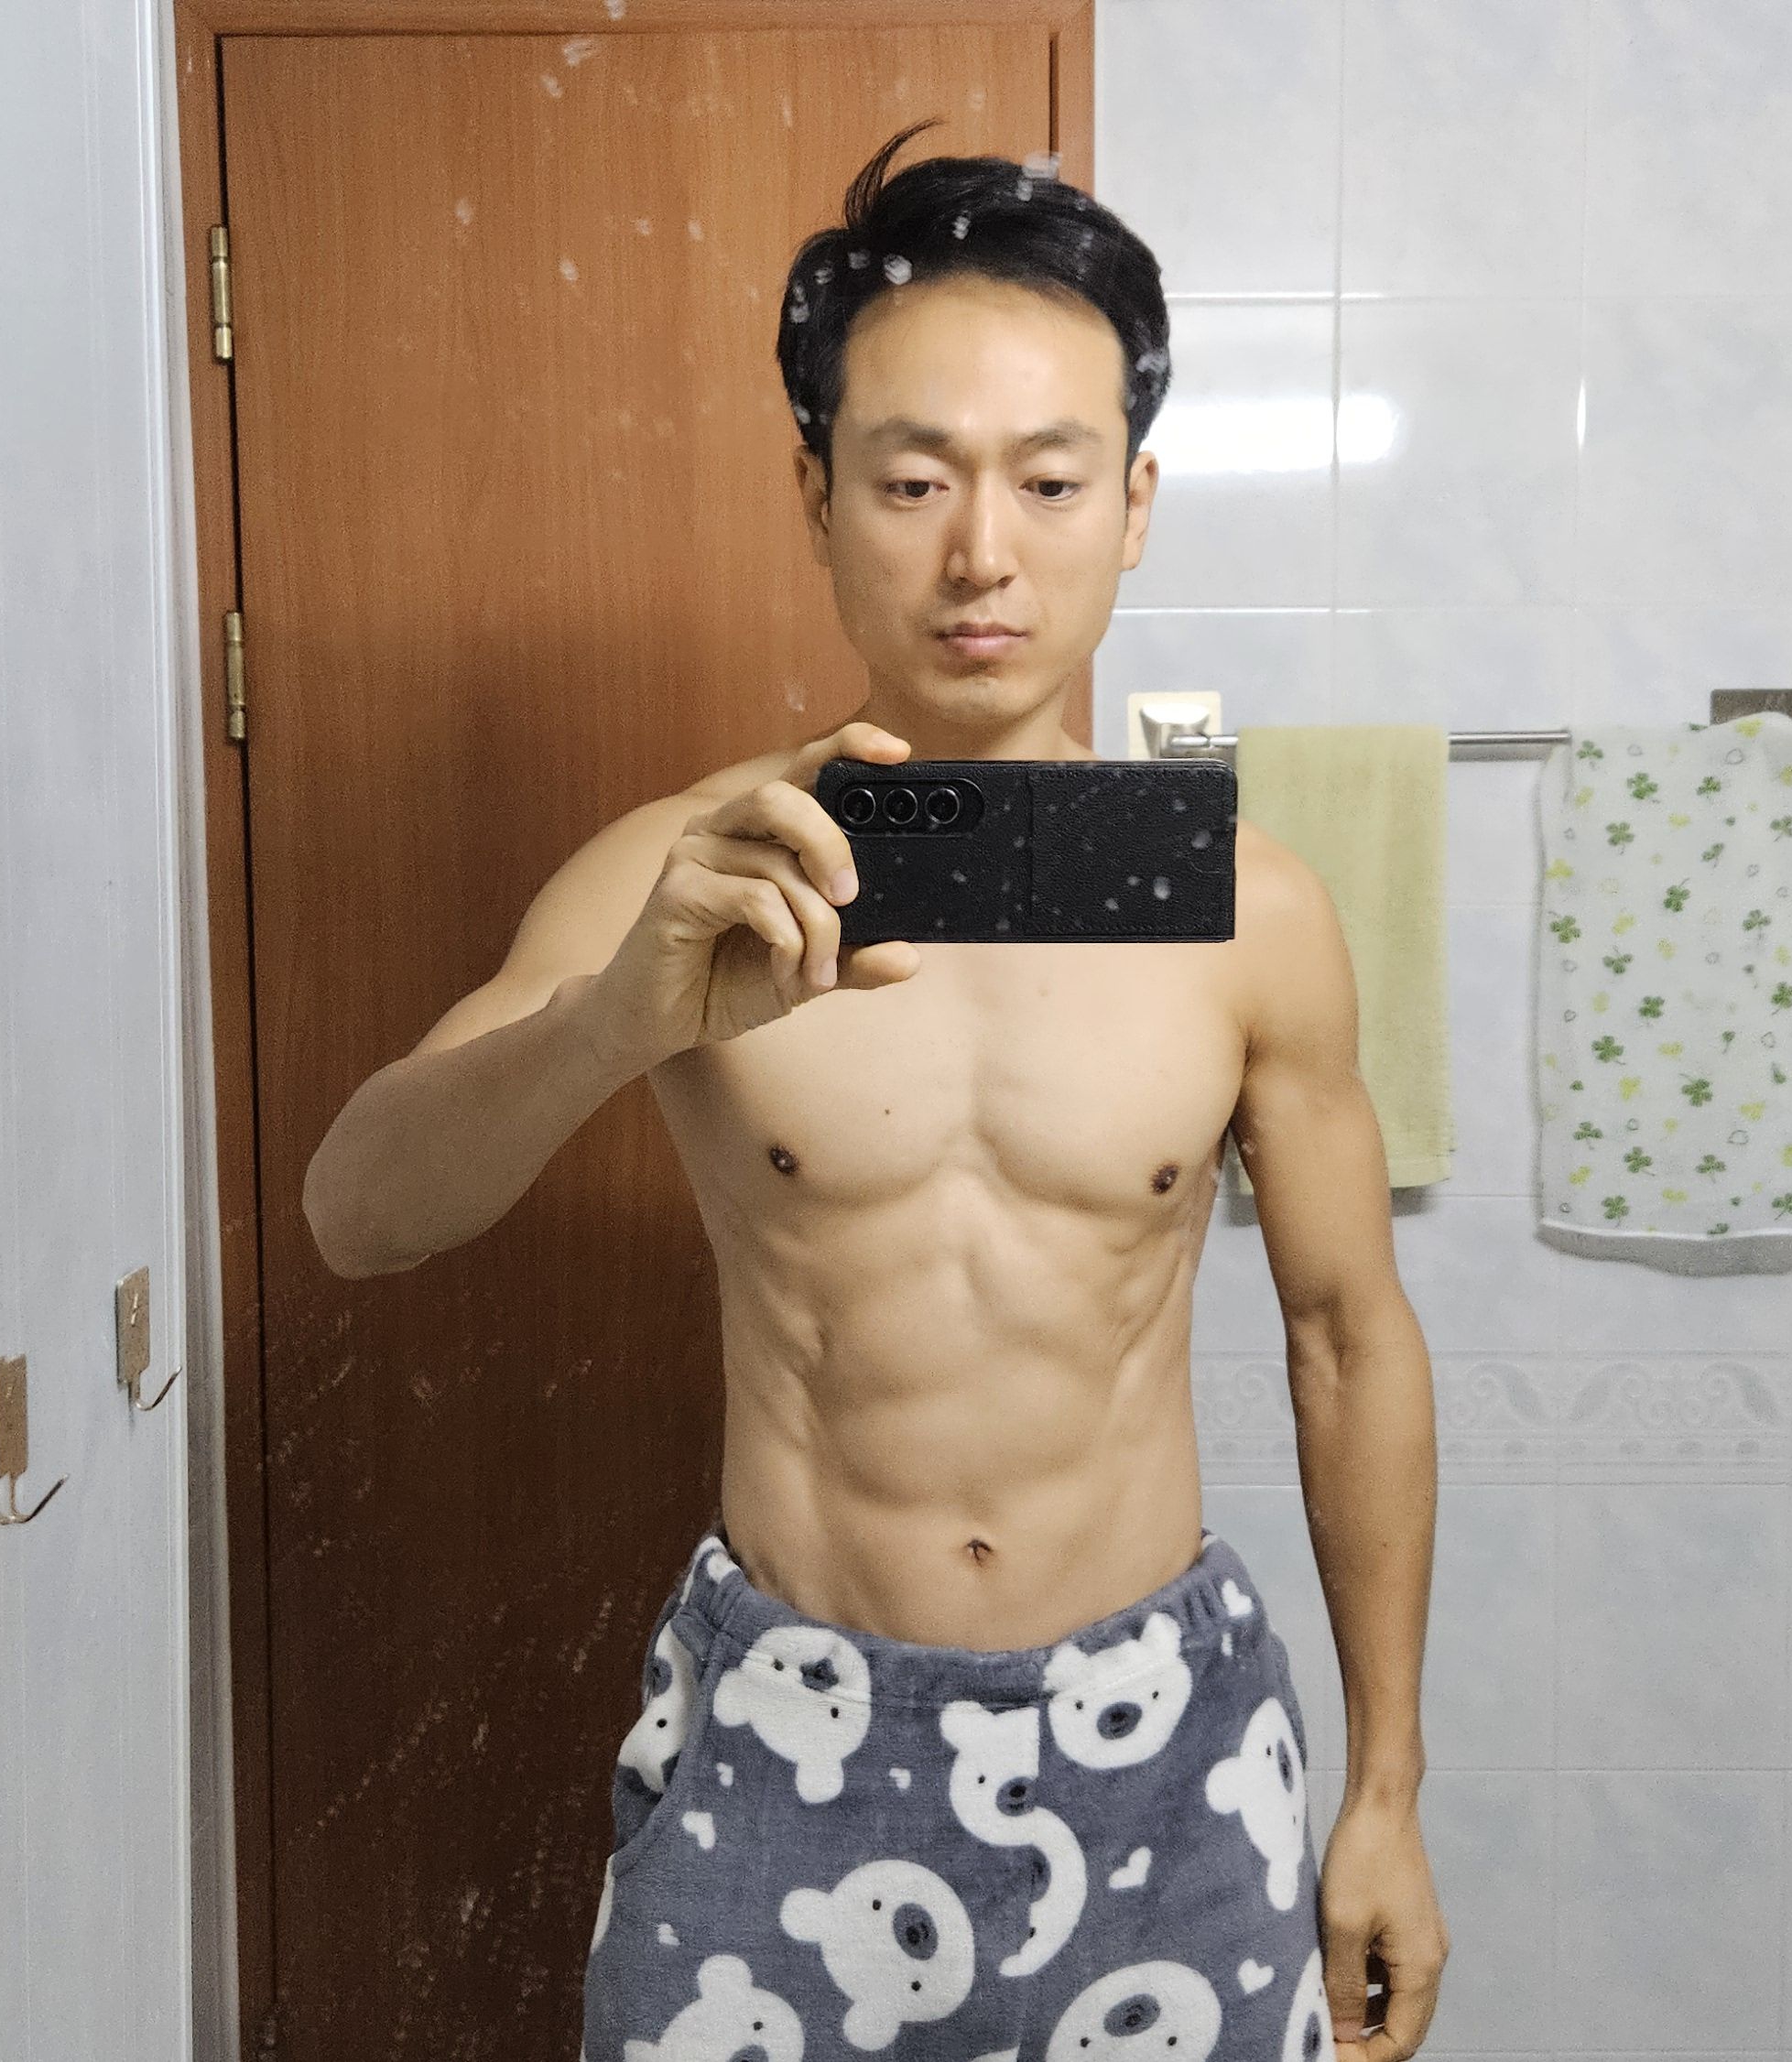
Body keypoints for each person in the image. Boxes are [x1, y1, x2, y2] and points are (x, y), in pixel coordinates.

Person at [302, 127, 1446, 2062]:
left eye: (1049, 482)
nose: (980, 553)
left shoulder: (1236, 899)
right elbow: (356, 1212)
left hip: (1165, 1750)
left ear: (1134, 506)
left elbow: (1348, 1338)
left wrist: (1388, 1791)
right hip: (786, 1738)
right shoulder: (694, 867)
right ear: (816, 495)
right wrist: (612, 1024)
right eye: (913, 480)